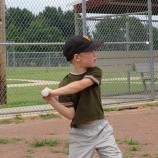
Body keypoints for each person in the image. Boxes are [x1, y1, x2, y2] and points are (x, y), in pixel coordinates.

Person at [42, 35, 122, 158]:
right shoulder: (65, 84)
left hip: (102, 129)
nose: (95, 54)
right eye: (90, 51)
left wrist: (54, 92)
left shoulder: (95, 72)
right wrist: (51, 100)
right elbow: (70, 114)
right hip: (80, 134)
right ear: (77, 57)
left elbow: (80, 85)